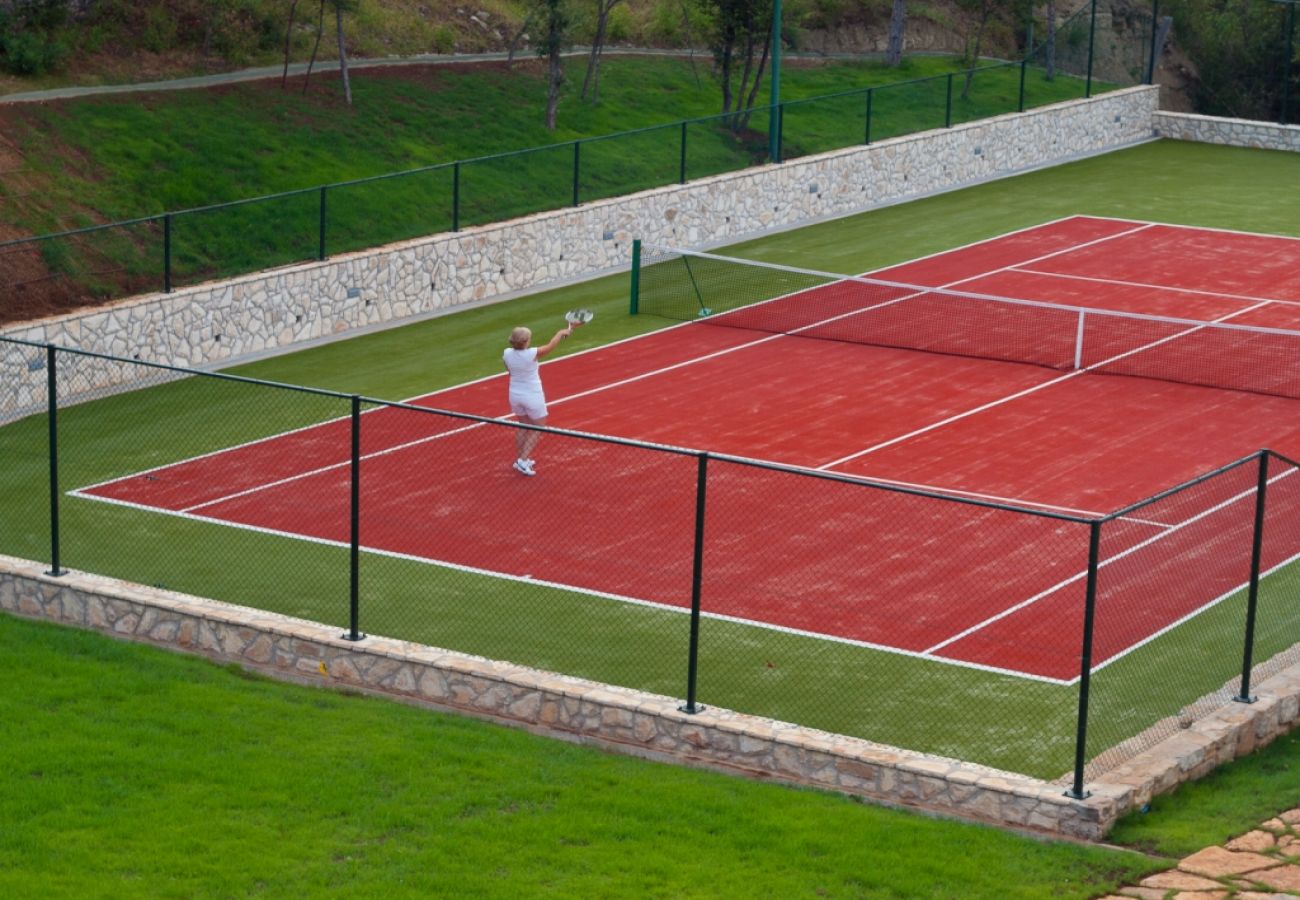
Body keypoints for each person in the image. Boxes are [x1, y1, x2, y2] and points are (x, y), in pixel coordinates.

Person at [503, 323, 573, 476]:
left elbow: (508, 370)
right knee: (538, 427)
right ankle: (522, 460)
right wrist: (561, 333)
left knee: (523, 426)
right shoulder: (531, 354)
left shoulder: (507, 353)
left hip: (515, 394)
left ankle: (520, 459)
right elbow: (550, 347)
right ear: (526, 341)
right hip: (532, 395)